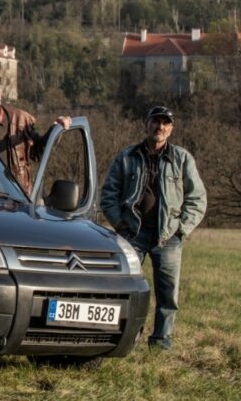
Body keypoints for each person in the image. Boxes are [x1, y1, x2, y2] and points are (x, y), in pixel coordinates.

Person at [100, 106, 206, 350]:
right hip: (133, 234)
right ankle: (123, 339)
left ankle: (160, 342)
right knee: (125, 288)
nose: (160, 127)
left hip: (168, 237)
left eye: (165, 123)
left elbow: (197, 199)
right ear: (146, 124)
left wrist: (182, 229)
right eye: (156, 122)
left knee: (168, 294)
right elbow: (108, 195)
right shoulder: (127, 157)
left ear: (171, 129)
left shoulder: (182, 159)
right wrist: (120, 224)